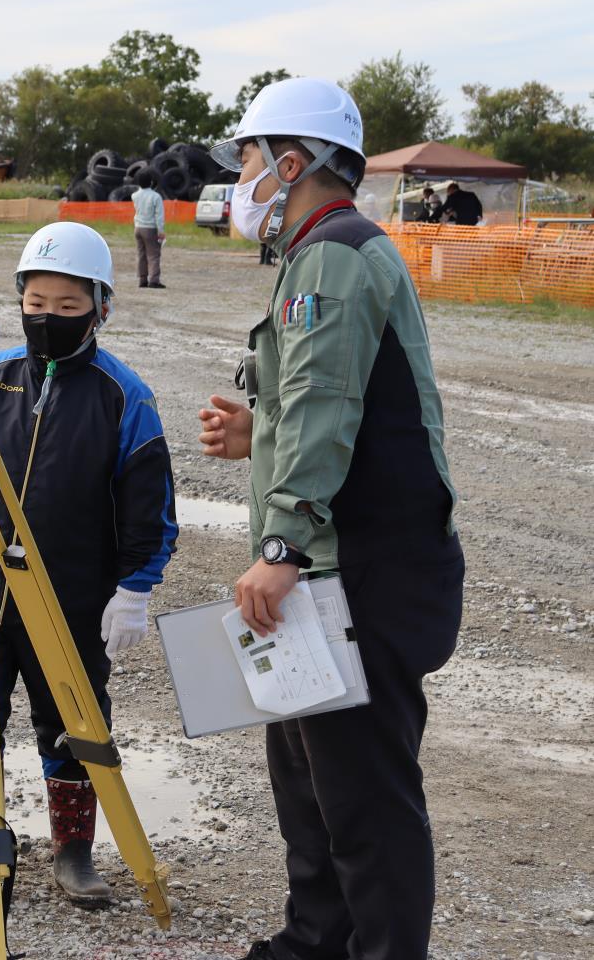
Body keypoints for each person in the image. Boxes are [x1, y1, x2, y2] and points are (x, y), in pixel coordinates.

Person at [200, 76, 463, 960]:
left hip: (361, 570)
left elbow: (322, 401)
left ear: (290, 164)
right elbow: (332, 403)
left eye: (246, 158)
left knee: (363, 798)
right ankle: (313, 943)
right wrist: (259, 434)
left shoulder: (335, 254)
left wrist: (280, 543)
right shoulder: (323, 250)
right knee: (311, 787)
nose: (239, 180)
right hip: (331, 566)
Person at [0, 220, 178, 906]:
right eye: (36, 303)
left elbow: (149, 508)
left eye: (67, 305)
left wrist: (136, 588)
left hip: (71, 601)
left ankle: (73, 853)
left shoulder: (125, 397)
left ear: (100, 307)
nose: (48, 317)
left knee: (73, 729)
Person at [131, 169, 166, 288]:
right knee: (153, 255)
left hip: (138, 227)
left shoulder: (134, 195)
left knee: (141, 254)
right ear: (151, 182)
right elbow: (159, 215)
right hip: (150, 228)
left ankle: (142, 280)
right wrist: (161, 231)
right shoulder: (156, 196)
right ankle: (154, 280)